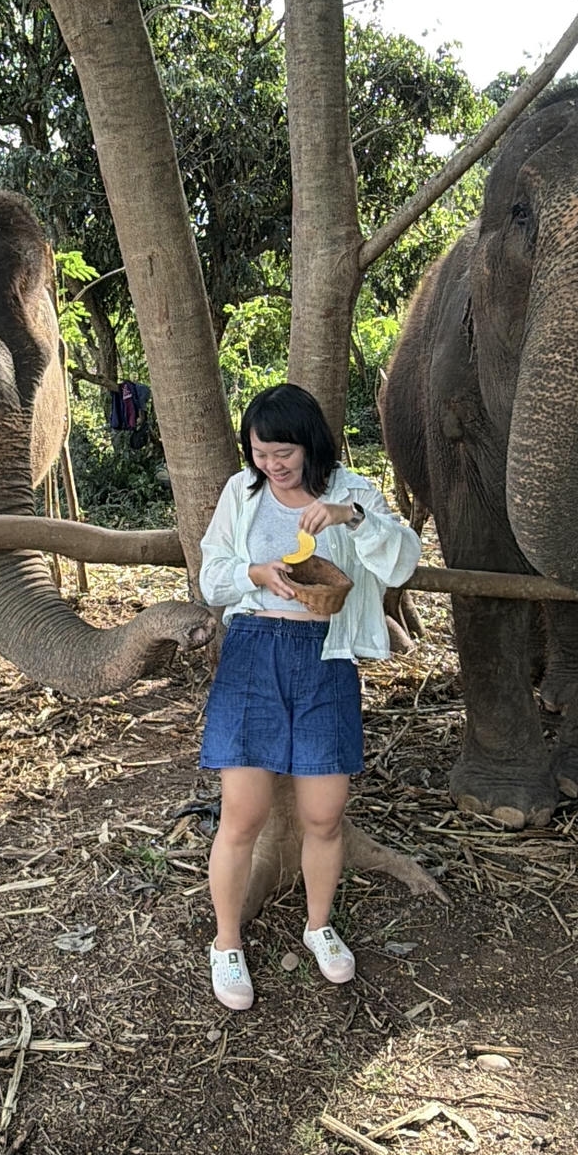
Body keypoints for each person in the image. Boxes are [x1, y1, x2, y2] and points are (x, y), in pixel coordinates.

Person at [198, 383, 421, 1011]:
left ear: (310, 444)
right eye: (261, 453)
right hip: (253, 654)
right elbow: (210, 574)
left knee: (324, 815)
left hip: (326, 660)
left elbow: (403, 562)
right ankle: (227, 941)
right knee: (242, 814)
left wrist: (352, 516)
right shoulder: (241, 497)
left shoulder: (352, 490)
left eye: (283, 453)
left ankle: (320, 926)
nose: (272, 464)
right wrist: (255, 573)